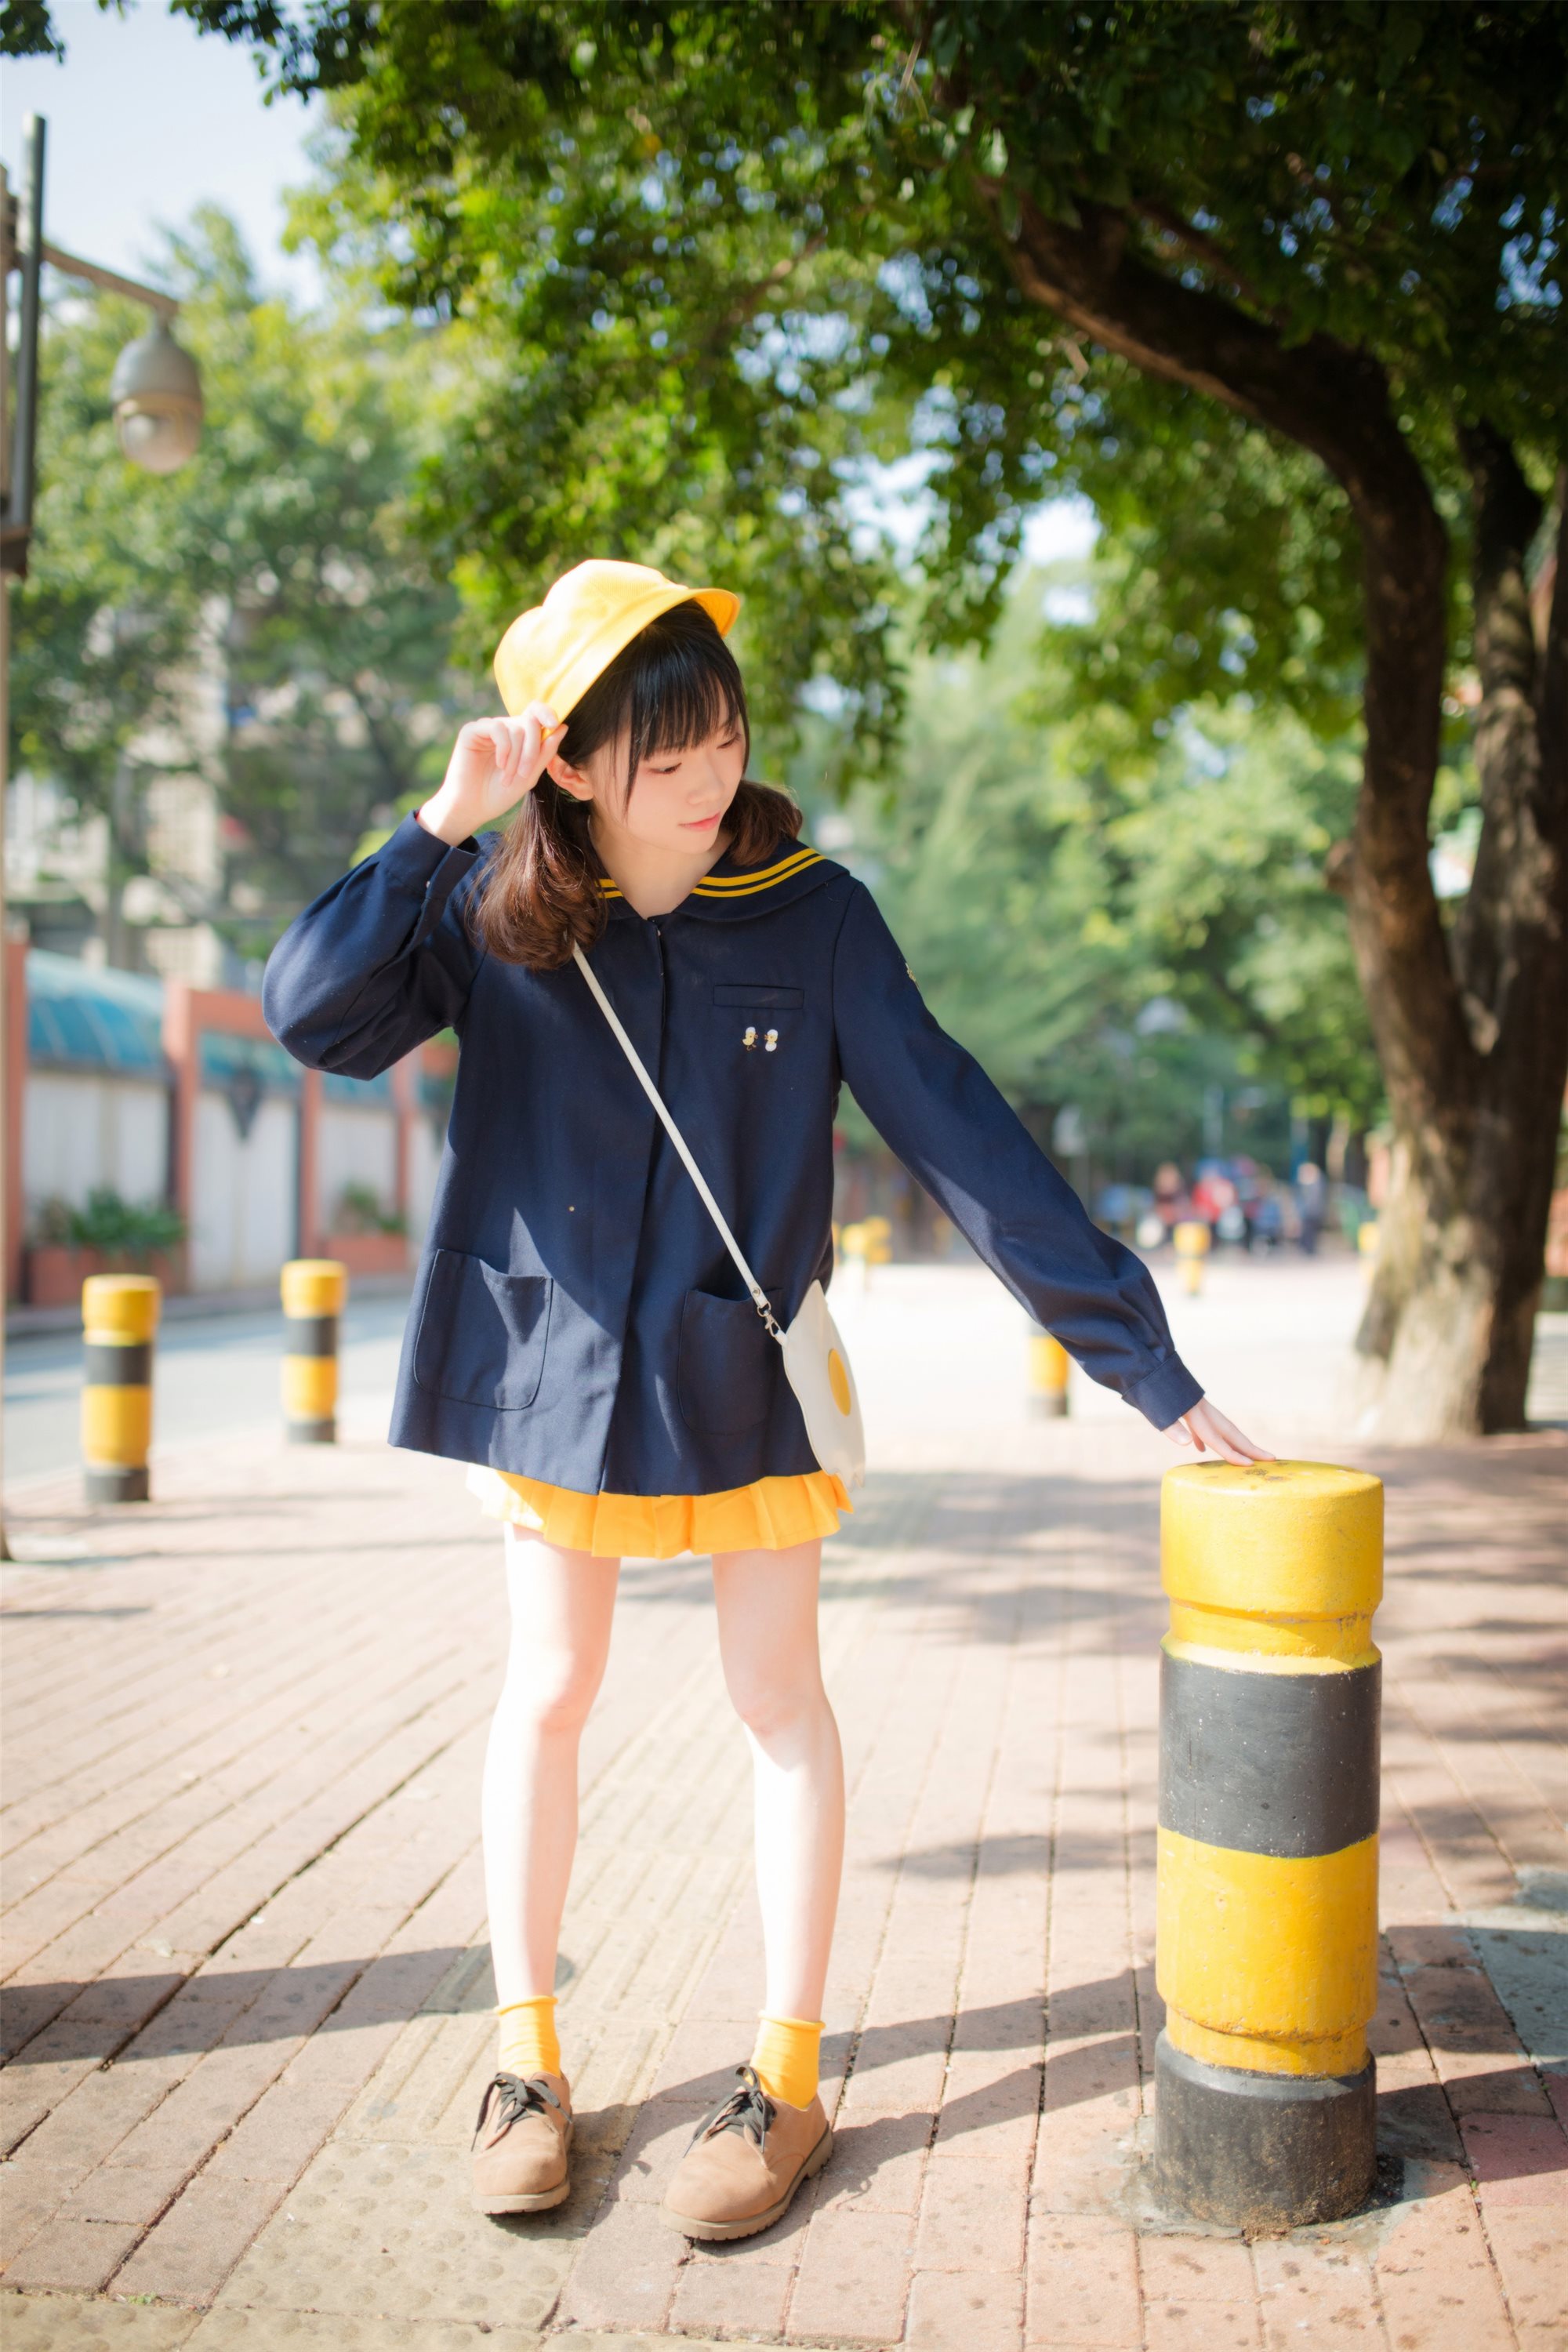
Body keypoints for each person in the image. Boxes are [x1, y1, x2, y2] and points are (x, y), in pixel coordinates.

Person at [263, 559, 1269, 2243]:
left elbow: (963, 1135)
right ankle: (525, 2062)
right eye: (665, 758)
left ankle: (786, 2078)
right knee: (548, 1692)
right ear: (570, 763)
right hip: (552, 1366)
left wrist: (1144, 1370)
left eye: (722, 738)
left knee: (778, 1698)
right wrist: (438, 822)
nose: (710, 779)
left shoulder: (816, 915)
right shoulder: (492, 905)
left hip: (742, 1368)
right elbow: (313, 1014)